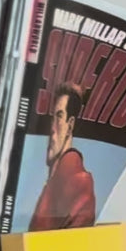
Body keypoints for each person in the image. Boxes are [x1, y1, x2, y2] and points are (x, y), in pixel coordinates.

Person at [29, 84, 96, 229]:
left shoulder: (79, 183)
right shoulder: (53, 185)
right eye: (51, 119)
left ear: (70, 126)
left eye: (59, 117)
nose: (52, 129)